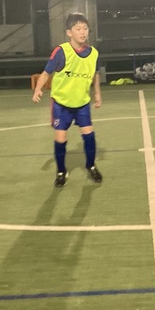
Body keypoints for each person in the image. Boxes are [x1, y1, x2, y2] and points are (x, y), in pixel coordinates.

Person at [31, 13, 103, 187]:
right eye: (78, 29)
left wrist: (97, 94)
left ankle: (91, 165)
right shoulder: (61, 51)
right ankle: (61, 171)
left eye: (85, 28)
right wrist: (38, 89)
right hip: (61, 104)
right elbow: (46, 72)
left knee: (89, 135)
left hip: (82, 103)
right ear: (69, 32)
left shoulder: (93, 53)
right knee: (61, 138)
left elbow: (95, 74)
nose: (83, 32)